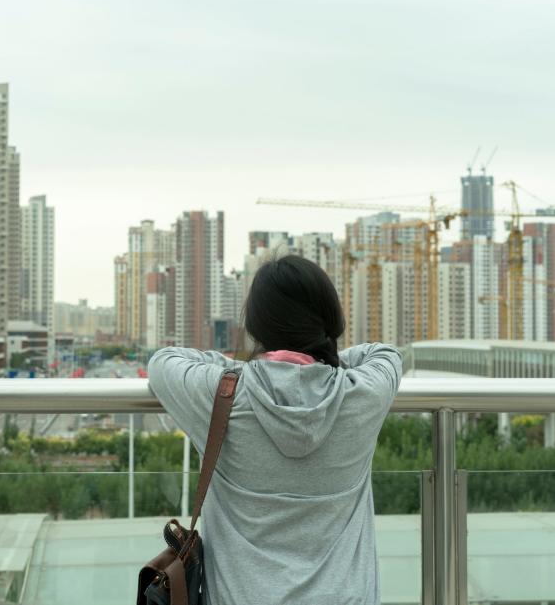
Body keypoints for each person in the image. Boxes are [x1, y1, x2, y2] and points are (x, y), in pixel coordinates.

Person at [148, 254, 402, 605]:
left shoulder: (222, 395)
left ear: (256, 324)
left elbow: (163, 362)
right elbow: (384, 354)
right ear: (330, 320)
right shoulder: (362, 393)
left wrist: (245, 368)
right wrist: (319, 357)